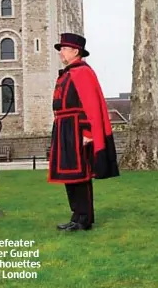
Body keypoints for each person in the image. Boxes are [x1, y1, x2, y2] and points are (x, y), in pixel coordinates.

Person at [48, 33, 120, 232]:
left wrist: (88, 132)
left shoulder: (83, 72)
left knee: (81, 175)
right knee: (70, 176)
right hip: (64, 129)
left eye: (63, 48)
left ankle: (84, 219)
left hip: (77, 129)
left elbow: (90, 105)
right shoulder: (69, 72)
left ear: (75, 51)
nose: (61, 52)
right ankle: (75, 216)